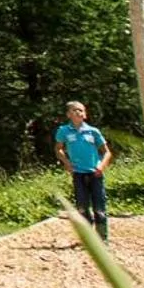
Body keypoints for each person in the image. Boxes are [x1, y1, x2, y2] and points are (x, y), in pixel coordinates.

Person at [54, 100, 112, 240]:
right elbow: (58, 148)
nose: (79, 112)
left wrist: (101, 165)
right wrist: (67, 162)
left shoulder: (93, 131)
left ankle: (102, 239)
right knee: (82, 207)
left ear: (85, 114)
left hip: (95, 173)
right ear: (68, 114)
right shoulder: (64, 131)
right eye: (75, 110)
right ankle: (89, 240)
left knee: (99, 208)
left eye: (81, 110)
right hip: (78, 173)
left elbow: (107, 152)